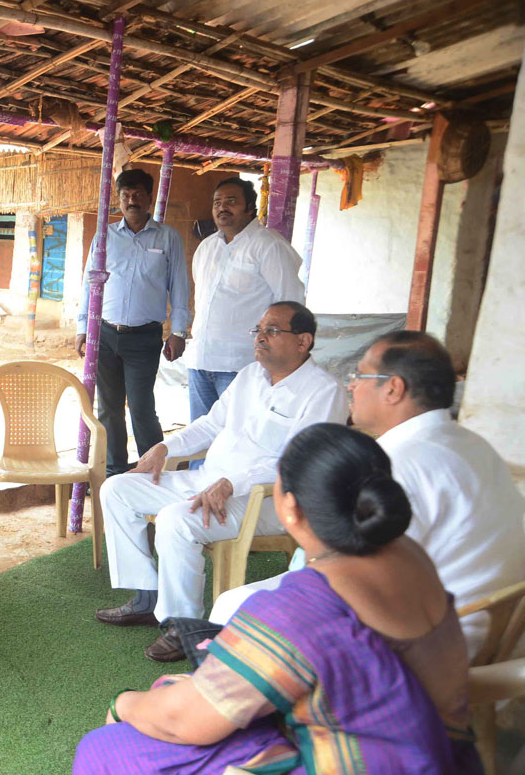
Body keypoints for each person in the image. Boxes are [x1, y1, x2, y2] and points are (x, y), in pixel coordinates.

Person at [74, 424, 481, 774]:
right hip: (438, 755)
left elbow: (185, 722)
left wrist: (122, 702)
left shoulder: (302, 606)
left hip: (354, 762)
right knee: (178, 686)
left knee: (106, 746)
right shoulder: (411, 556)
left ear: (289, 507)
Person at [199, 331, 525, 660]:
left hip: (433, 641)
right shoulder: (469, 442)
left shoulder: (397, 462)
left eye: (360, 375)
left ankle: (231, 701)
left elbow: (360, 577)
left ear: (394, 389)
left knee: (236, 606)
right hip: (490, 624)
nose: (350, 385)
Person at [93, 302, 347, 655]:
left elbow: (302, 461)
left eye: (271, 331)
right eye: (257, 330)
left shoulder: (325, 391)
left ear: (303, 341)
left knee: (176, 520)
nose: (260, 338)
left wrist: (233, 483)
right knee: (117, 488)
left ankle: (184, 626)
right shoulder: (249, 376)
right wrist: (165, 448)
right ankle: (147, 597)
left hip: (270, 499)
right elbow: (211, 425)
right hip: (209, 480)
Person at [76, 168, 190, 476]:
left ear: (150, 198)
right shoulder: (105, 237)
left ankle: (152, 472)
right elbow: (89, 284)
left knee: (140, 407)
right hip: (105, 334)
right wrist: (83, 327)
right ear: (119, 199)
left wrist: (178, 331)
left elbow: (180, 285)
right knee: (109, 408)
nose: (132, 200)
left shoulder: (168, 238)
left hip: (144, 338)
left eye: (138, 194)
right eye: (125, 195)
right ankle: (114, 472)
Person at [184, 178, 304, 423]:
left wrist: (282, 359)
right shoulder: (206, 248)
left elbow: (291, 303)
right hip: (200, 360)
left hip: (242, 364)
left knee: (237, 440)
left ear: (250, 207)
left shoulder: (269, 246)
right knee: (199, 438)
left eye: (231, 201)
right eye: (217, 202)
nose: (222, 208)